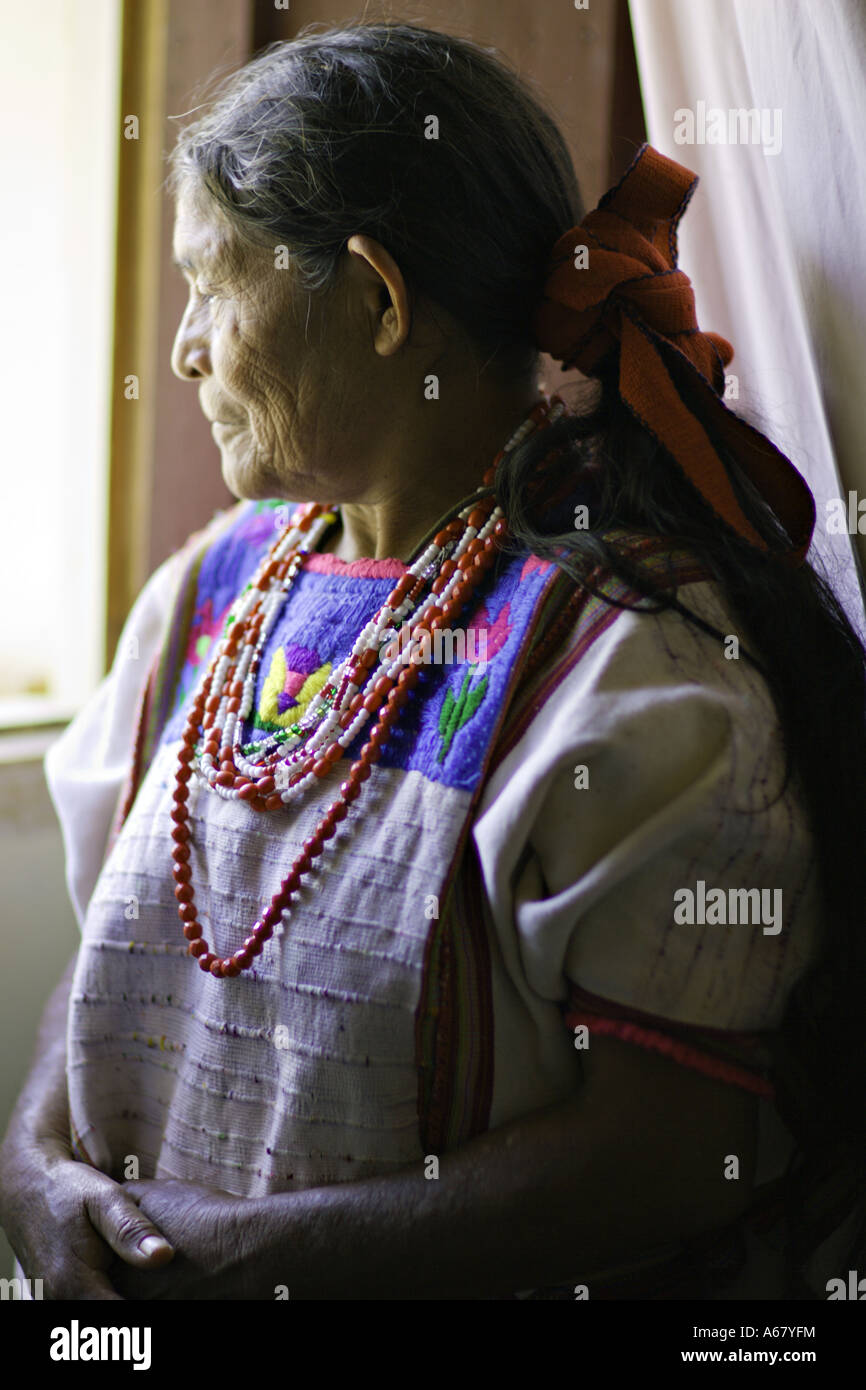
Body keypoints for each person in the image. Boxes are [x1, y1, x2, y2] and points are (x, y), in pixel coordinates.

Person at [1, 20, 864, 1301]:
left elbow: (678, 1150)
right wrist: (31, 1171)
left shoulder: (632, 670)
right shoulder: (210, 592)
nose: (183, 349)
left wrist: (252, 1265)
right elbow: (115, 958)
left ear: (374, 298)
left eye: (210, 286)